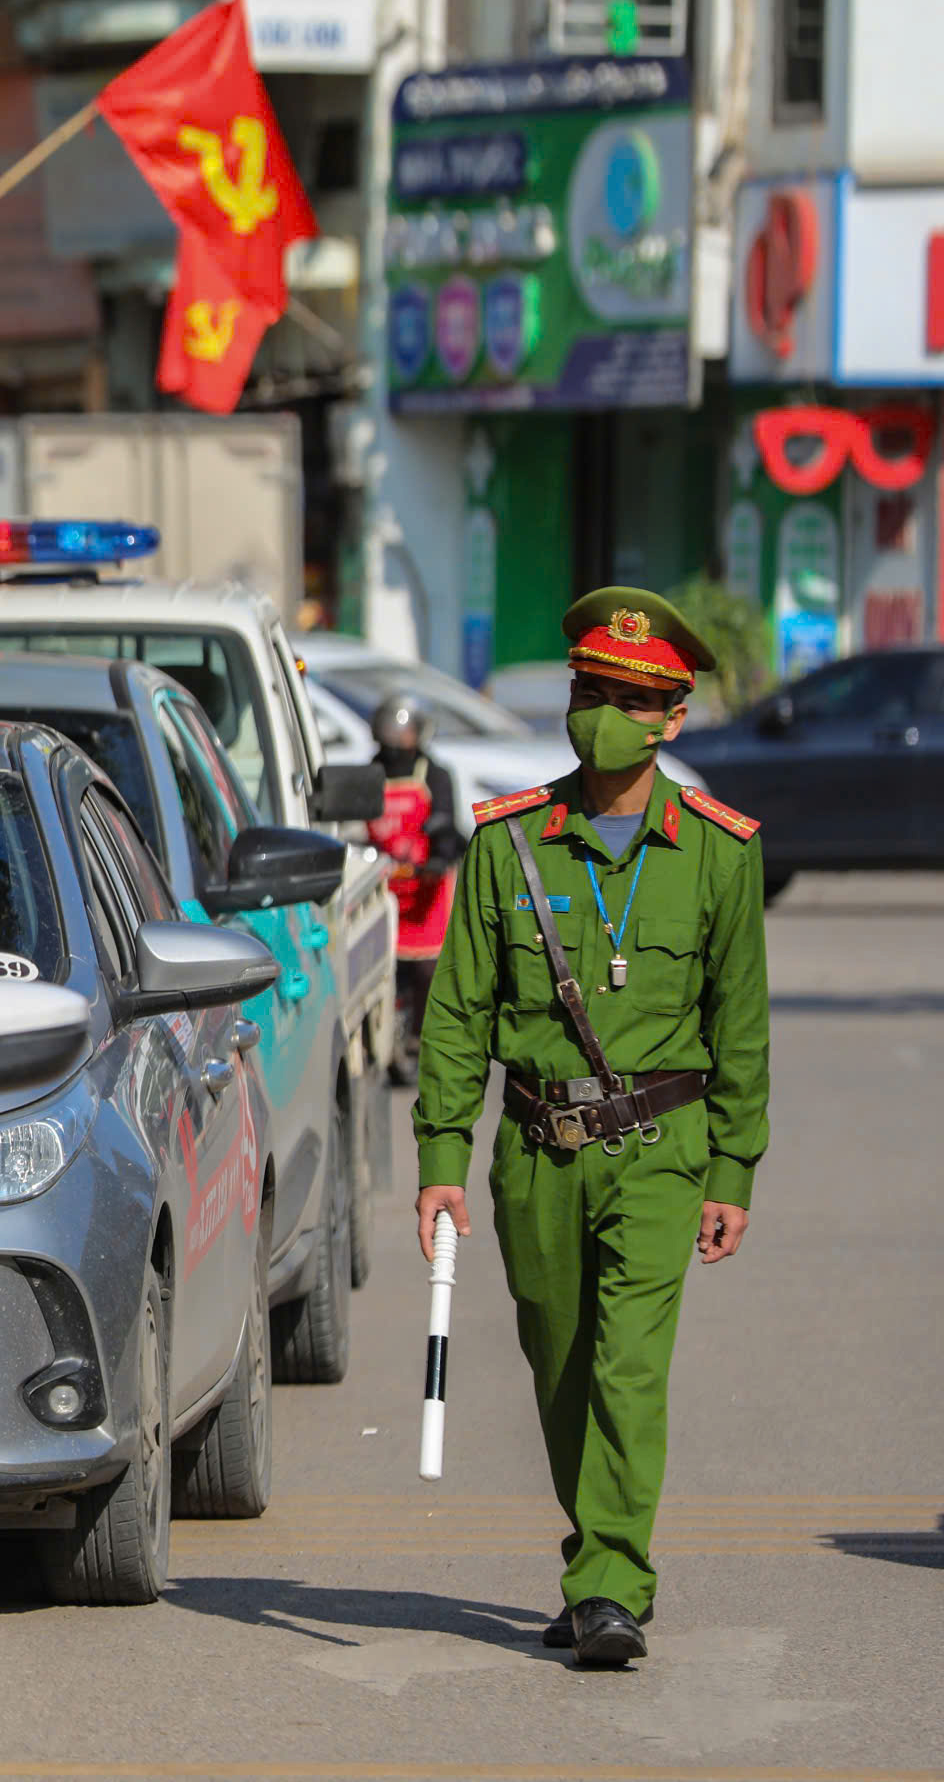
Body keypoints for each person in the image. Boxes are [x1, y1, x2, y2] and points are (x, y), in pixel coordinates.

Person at [409, 586, 768, 1671]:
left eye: (625, 698)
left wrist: (734, 1169)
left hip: (661, 1151)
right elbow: (459, 1011)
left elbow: (737, 1022)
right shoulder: (511, 843)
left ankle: (609, 1581)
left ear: (670, 717)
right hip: (534, 1153)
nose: (599, 714)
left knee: (627, 1368)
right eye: (587, 691)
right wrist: (440, 1159)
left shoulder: (720, 851)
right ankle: (595, 1559)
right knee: (560, 1367)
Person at [366, 695, 465, 1085]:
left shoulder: (434, 773)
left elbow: (444, 819)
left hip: (426, 891)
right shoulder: (373, 772)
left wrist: (439, 857)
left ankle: (420, 1036)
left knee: (427, 968)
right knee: (381, 967)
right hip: (385, 888)